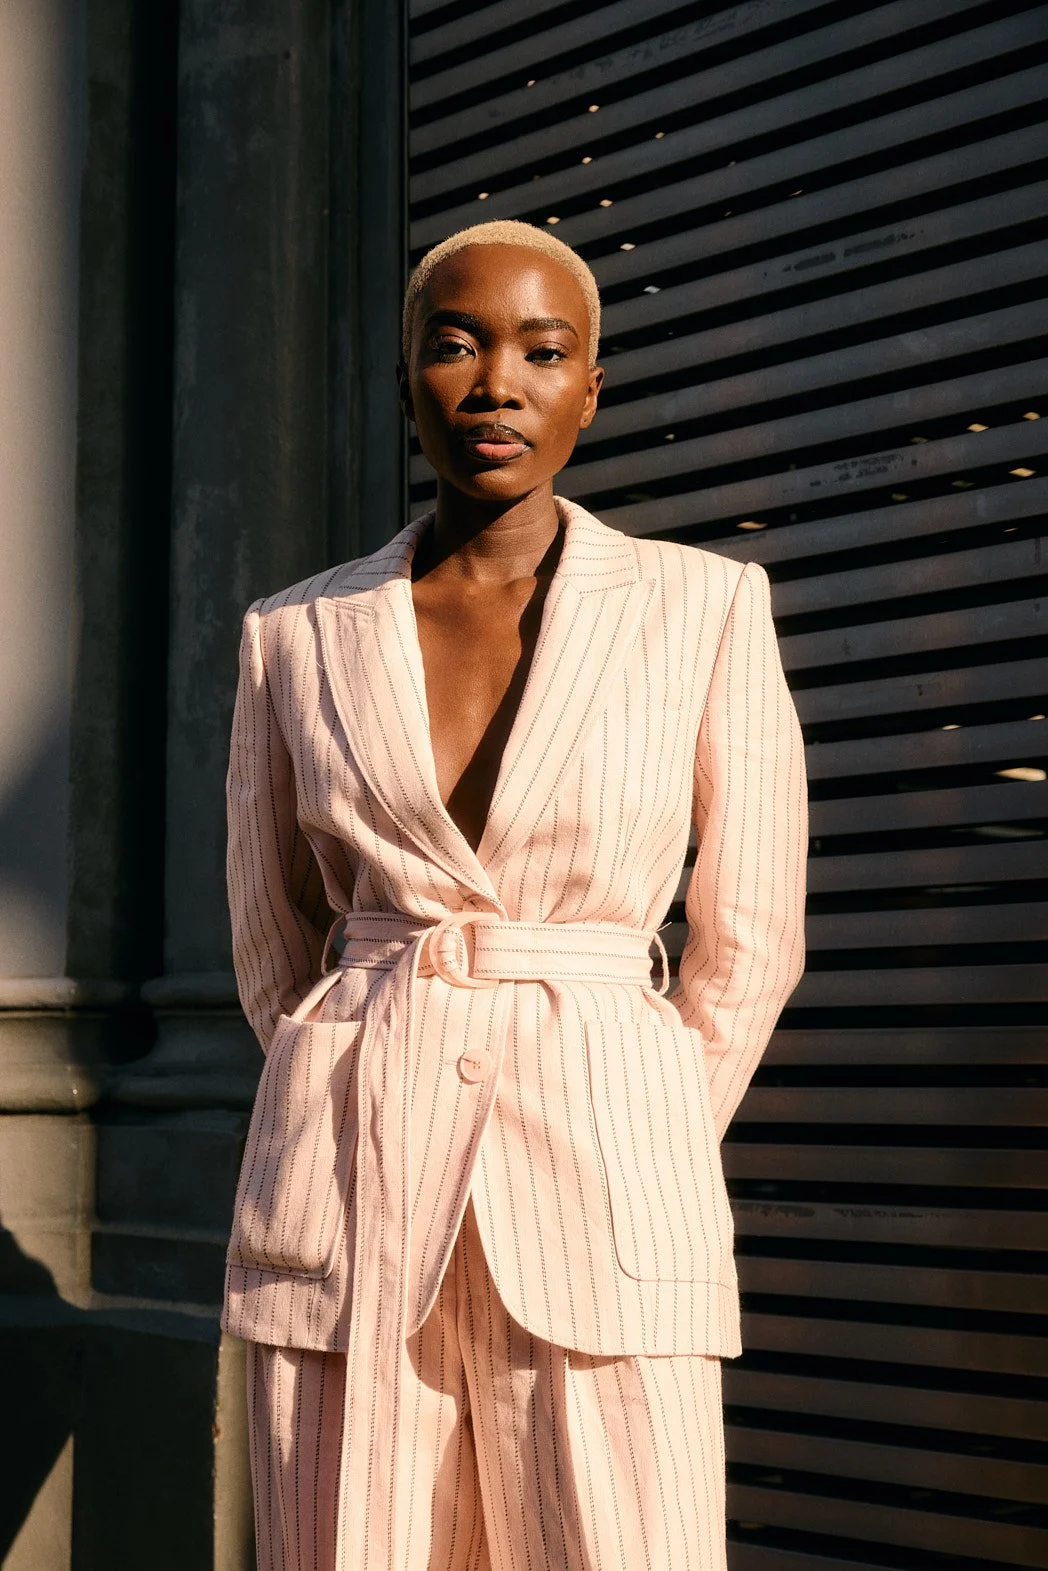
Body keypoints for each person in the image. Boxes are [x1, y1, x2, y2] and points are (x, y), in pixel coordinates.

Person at [222, 218, 808, 1571]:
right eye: (458, 343)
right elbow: (270, 941)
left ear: (590, 386)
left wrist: (632, 1111)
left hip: (609, 1187)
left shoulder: (705, 609)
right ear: (408, 378)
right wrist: (365, 1076)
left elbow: (752, 938)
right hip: (352, 1188)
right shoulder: (296, 635)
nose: (499, 382)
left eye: (544, 351)